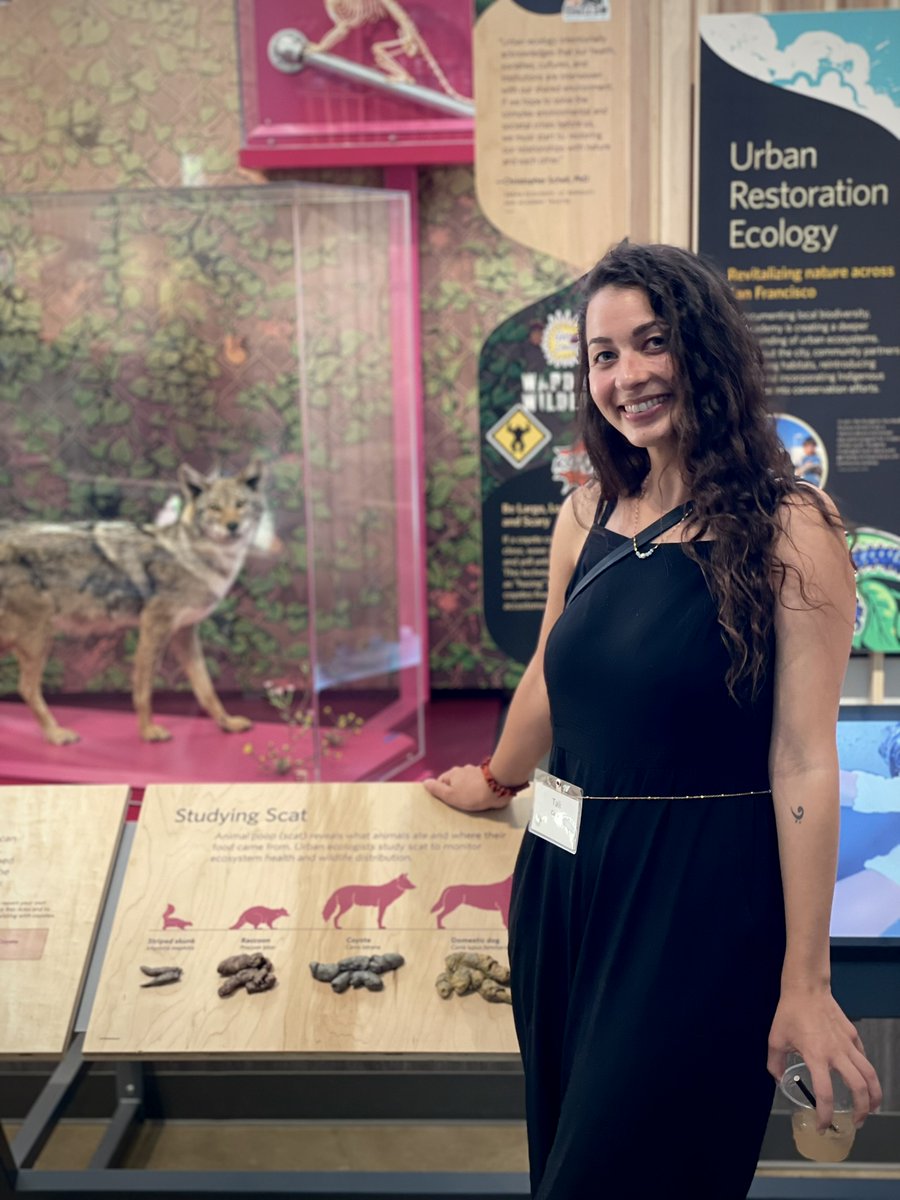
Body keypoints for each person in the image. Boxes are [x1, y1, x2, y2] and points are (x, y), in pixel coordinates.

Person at [424, 242, 882, 1198]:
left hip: (698, 902)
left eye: (651, 343)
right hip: (564, 887)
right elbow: (553, 676)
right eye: (602, 356)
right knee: (563, 1152)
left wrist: (805, 981)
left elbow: (803, 760)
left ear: (704, 350)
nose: (626, 376)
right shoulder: (587, 513)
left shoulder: (794, 527)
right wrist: (498, 777)